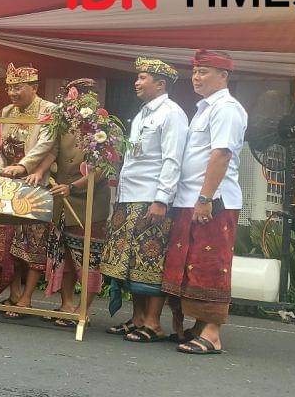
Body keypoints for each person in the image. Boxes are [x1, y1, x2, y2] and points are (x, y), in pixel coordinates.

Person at [163, 50, 247, 354]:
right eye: (196, 71)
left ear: (224, 76)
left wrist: (205, 198)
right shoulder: (203, 109)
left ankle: (212, 333)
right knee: (192, 262)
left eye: (205, 72)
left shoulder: (226, 108)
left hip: (213, 200)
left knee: (211, 263)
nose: (197, 77)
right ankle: (199, 325)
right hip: (192, 198)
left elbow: (221, 155)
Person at [99, 58, 188, 342]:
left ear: (160, 84)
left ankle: (153, 323)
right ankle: (137, 319)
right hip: (129, 197)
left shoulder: (171, 113)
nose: (136, 83)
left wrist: (162, 200)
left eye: (143, 78)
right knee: (130, 262)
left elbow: (173, 160)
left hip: (151, 197)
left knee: (150, 260)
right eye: (137, 78)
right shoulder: (140, 115)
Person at [0, 64, 57, 316]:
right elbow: (1, 147)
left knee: (33, 243)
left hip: (36, 183)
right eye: (10, 87)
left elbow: (47, 144)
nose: (12, 92)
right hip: (10, 185)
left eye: (18, 87)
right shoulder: (6, 111)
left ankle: (27, 297)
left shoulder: (49, 110)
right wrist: (4, 170)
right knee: (6, 241)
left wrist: (23, 167)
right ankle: (14, 294)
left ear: (34, 87)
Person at [42, 79, 112, 328]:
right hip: (61, 200)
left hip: (90, 204)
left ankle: (84, 309)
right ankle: (67, 305)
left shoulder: (104, 127)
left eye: (81, 98)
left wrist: (73, 187)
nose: (75, 102)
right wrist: (44, 171)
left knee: (87, 259)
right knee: (64, 256)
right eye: (72, 97)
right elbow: (51, 154)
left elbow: (102, 169)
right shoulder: (62, 124)